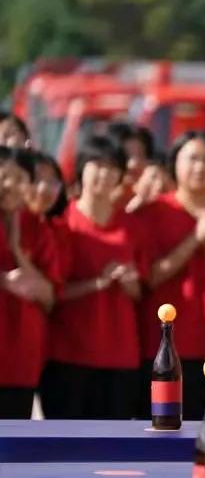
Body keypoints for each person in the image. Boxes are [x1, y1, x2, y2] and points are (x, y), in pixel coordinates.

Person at [134, 132, 205, 417]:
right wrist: (194, 239)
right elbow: (152, 276)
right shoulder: (155, 211)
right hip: (164, 344)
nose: (200, 167)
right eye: (192, 159)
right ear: (174, 164)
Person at [40, 136, 143, 419]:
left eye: (112, 167)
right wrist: (97, 283)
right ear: (81, 169)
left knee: (115, 451)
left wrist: (130, 283)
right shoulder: (62, 223)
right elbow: (52, 292)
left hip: (120, 356)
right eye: (96, 164)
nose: (104, 174)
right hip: (68, 356)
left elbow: (142, 292)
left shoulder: (132, 226)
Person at [0, 146, 61, 418]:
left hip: (20, 359)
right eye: (4, 177)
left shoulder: (36, 226)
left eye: (19, 178)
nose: (10, 185)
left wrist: (16, 251)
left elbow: (49, 295)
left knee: (14, 451)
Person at [106, 122, 154, 211]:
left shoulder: (156, 192)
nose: (133, 164)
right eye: (126, 157)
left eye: (140, 155)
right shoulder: (101, 199)